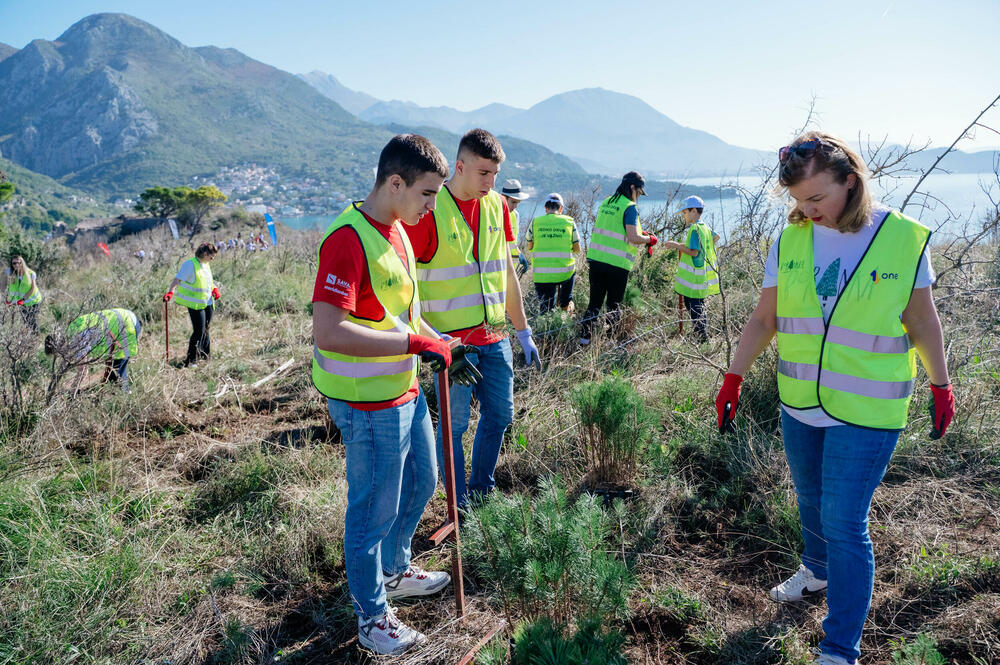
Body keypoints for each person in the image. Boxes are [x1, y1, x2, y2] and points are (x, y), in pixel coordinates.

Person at [715, 132, 955, 665]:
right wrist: (733, 377)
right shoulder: (792, 239)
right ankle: (816, 572)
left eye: (817, 198)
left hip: (868, 409)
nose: (807, 211)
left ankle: (840, 647)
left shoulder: (902, 238)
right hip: (800, 401)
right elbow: (765, 318)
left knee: (845, 519)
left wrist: (941, 382)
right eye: (798, 201)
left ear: (851, 181)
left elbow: (921, 320)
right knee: (809, 498)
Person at [312, 134, 481, 656]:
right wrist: (412, 342)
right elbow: (329, 331)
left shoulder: (399, 232)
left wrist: (434, 338)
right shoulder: (348, 239)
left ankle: (394, 566)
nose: (433, 204)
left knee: (423, 480)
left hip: (402, 388)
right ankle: (371, 615)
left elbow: (403, 314)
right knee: (371, 511)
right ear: (394, 183)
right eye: (428, 194)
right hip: (365, 401)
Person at [404, 128, 540, 510]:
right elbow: (406, 285)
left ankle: (482, 491)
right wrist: (432, 343)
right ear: (459, 167)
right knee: (455, 426)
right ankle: (458, 504)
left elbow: (506, 271)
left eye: (495, 174)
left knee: (500, 415)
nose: (491, 183)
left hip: (494, 337)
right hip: (452, 346)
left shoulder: (497, 207)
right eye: (483, 173)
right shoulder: (431, 210)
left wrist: (523, 329)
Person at [579, 171, 657, 345]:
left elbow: (613, 229)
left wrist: (639, 233)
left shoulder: (606, 202)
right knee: (614, 306)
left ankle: (584, 340)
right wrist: (649, 239)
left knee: (594, 304)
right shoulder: (629, 206)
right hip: (617, 264)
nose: (639, 196)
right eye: (639, 192)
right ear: (632, 187)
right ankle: (610, 343)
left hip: (597, 260)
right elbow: (633, 238)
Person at [663, 195, 720, 341]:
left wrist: (676, 246)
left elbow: (694, 252)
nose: (684, 215)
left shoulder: (695, 229)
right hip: (702, 278)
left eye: (685, 212)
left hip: (694, 279)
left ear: (693, 210)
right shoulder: (704, 227)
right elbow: (716, 237)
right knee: (696, 307)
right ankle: (701, 337)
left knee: (695, 309)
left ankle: (702, 339)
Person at [45, 308, 141, 393]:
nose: (61, 356)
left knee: (116, 377)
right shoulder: (72, 330)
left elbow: (83, 371)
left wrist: (72, 391)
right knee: (113, 375)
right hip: (123, 317)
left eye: (58, 353)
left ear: (59, 347)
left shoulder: (78, 341)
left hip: (126, 325)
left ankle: (126, 401)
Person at [163, 242, 221, 368]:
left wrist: (214, 288)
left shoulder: (206, 264)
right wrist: (170, 292)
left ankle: (205, 356)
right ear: (205, 254)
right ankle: (191, 360)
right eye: (211, 256)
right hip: (195, 304)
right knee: (198, 331)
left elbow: (208, 281)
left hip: (208, 302)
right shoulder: (190, 264)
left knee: (206, 329)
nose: (212, 259)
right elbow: (177, 279)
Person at [526, 192, 581, 315]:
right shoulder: (569, 222)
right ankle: (565, 305)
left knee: (546, 309)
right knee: (566, 299)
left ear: (546, 208)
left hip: (542, 275)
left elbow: (530, 246)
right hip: (564, 273)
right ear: (561, 208)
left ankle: (546, 329)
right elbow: (577, 249)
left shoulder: (535, 222)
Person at [500, 178, 531, 276]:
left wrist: (519, 254)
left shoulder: (515, 215)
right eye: (513, 202)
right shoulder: (494, 214)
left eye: (517, 203)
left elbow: (513, 242)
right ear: (504, 198)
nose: (515, 206)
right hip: (498, 268)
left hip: (511, 270)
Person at [3, 255, 43, 333]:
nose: (16, 265)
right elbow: (3, 284)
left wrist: (23, 299)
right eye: (14, 263)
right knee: (26, 322)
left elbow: (33, 288)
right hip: (22, 302)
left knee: (32, 321)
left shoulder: (31, 273)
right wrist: (5, 298)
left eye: (19, 263)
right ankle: (30, 340)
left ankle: (36, 340)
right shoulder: (10, 272)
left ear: (22, 263)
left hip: (34, 301)